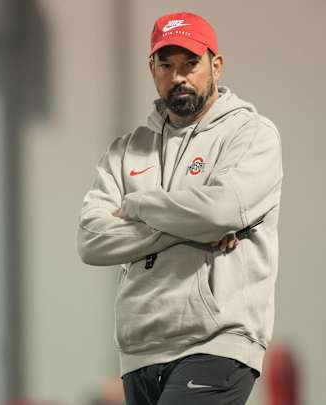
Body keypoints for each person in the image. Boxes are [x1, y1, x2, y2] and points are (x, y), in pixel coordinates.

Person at [76, 11, 283, 405]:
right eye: (166, 65)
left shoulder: (251, 134)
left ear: (215, 66)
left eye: (190, 63)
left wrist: (137, 204)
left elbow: (220, 210)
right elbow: (91, 240)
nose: (178, 76)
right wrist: (194, 225)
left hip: (214, 343)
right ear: (152, 69)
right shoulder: (124, 152)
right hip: (139, 351)